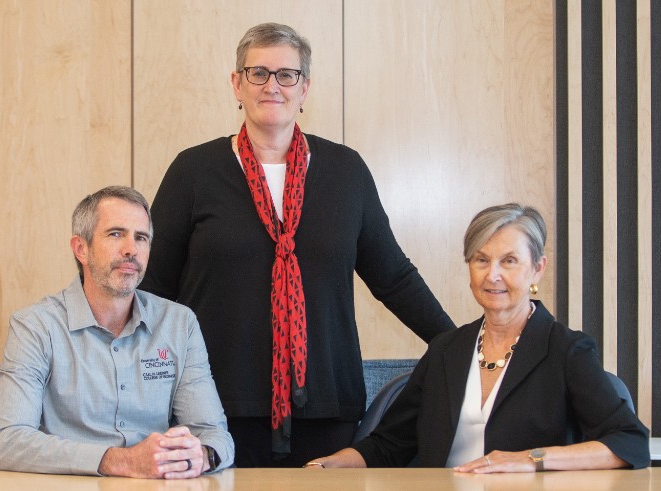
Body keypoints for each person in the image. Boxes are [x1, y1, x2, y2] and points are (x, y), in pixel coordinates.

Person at [140, 22, 456, 467]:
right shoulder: (193, 172)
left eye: (287, 75)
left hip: (327, 408)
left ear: (304, 87)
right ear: (237, 83)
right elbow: (152, 290)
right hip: (214, 408)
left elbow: (394, 277)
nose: (273, 86)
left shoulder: (346, 172)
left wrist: (460, 345)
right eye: (258, 73)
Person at [304, 203, 650, 471]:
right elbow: (387, 445)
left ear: (537, 269)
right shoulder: (446, 349)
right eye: (481, 259)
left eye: (509, 261)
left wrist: (530, 460)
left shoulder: (567, 350)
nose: (492, 274)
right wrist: (331, 463)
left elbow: (630, 442)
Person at [0, 186, 234, 478]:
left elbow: (215, 436)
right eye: (116, 234)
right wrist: (120, 461)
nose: (131, 249)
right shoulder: (35, 326)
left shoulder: (180, 324)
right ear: (81, 248)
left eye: (141, 238)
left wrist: (200, 456)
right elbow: (8, 441)